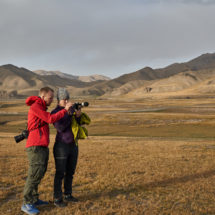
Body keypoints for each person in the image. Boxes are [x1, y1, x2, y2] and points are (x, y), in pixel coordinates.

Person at [21, 87, 73, 215]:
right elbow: (49, 119)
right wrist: (65, 111)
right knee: (35, 174)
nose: (51, 100)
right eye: (50, 98)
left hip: (40, 145)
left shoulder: (41, 107)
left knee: (39, 172)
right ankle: (27, 203)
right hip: (35, 145)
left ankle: (34, 199)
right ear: (43, 97)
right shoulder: (36, 106)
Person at [51, 88, 81, 207]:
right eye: (64, 99)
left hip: (73, 145)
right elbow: (61, 127)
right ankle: (57, 198)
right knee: (60, 173)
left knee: (70, 172)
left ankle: (68, 194)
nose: (67, 101)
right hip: (61, 146)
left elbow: (76, 125)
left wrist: (77, 116)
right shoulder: (55, 112)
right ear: (59, 100)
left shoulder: (71, 110)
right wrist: (68, 113)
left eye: (67, 98)